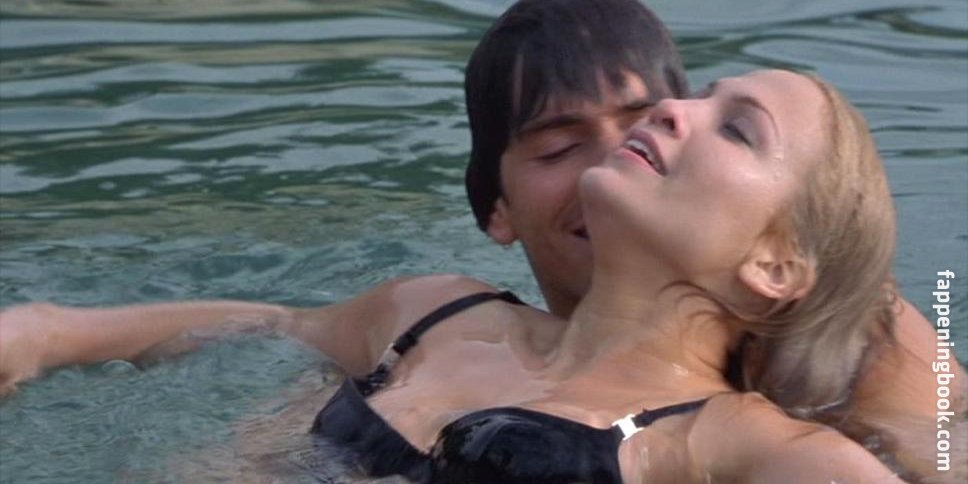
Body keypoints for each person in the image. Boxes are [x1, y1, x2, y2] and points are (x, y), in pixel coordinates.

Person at [0, 0, 961, 480]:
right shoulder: (436, 316)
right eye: (557, 147)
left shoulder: (806, 395)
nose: (639, 131)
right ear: (496, 210)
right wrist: (42, 332)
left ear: (778, 264)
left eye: (733, 127)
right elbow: (263, 322)